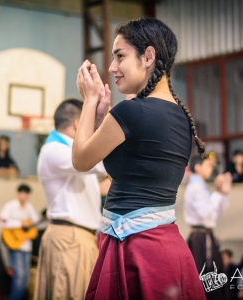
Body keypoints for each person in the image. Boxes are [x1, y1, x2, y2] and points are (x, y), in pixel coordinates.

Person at [73, 17, 207, 300]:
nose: (112, 68)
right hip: (168, 247)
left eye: (119, 56)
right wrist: (102, 119)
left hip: (136, 249)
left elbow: (81, 160)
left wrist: (88, 101)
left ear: (148, 57)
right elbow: (134, 168)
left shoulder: (131, 112)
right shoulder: (183, 118)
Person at [34, 99, 108, 300]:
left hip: (77, 239)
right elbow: (102, 164)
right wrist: (107, 127)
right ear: (78, 123)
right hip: (69, 240)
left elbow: (96, 187)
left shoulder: (66, 151)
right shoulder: (55, 150)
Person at [184, 155, 232, 300]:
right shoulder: (195, 187)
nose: (211, 168)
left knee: (212, 275)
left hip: (206, 235)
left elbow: (215, 213)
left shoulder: (201, 186)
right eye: (208, 165)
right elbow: (205, 213)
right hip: (200, 237)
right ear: (198, 167)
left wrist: (223, 194)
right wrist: (218, 192)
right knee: (205, 276)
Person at [0, 183, 39, 300]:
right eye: (22, 193)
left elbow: (35, 223)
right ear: (18, 194)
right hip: (15, 245)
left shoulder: (29, 207)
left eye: (26, 194)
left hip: (26, 246)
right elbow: (2, 222)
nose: (24, 196)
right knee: (19, 276)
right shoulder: (10, 206)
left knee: (25, 278)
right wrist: (20, 224)